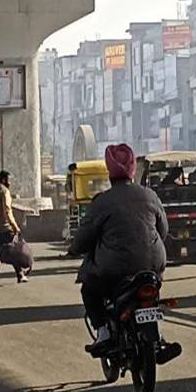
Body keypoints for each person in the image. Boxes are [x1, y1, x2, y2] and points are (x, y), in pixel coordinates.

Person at [70, 144, 168, 351]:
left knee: (89, 290)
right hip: (153, 265)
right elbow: (163, 231)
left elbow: (82, 240)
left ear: (109, 173)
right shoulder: (151, 196)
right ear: (133, 171)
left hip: (114, 271)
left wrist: (74, 248)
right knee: (153, 290)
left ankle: (103, 332)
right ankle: (156, 332)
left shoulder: (102, 202)